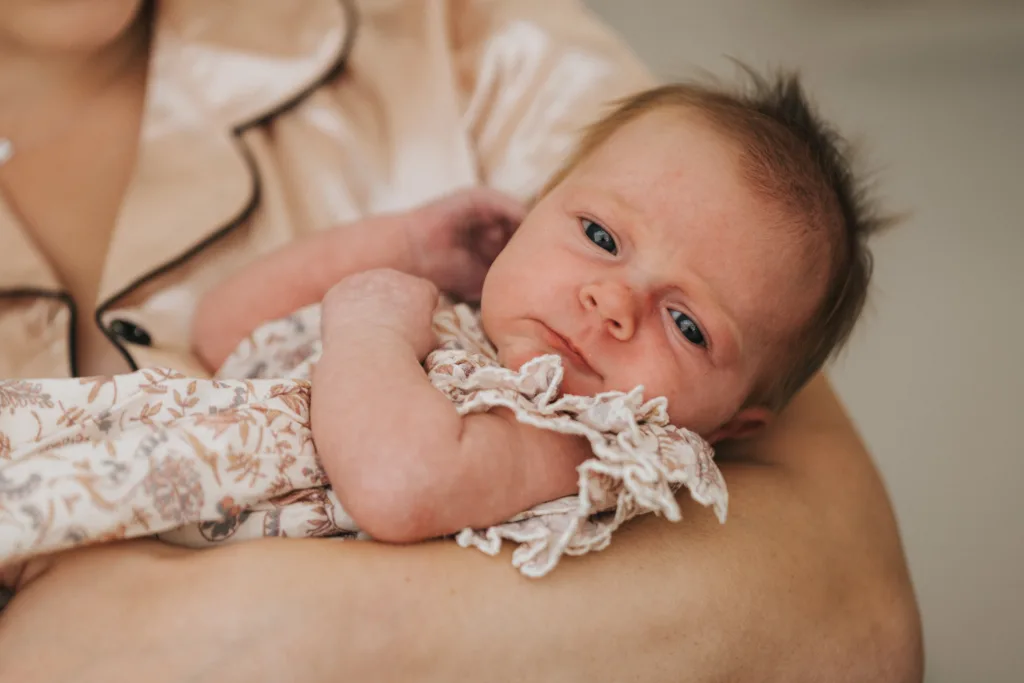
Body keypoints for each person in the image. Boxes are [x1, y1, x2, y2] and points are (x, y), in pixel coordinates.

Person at [0, 1, 923, 682]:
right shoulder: (459, 315)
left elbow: (399, 483)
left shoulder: (579, 439)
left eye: (686, 325)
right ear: (530, 213)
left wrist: (365, 319)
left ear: (732, 426)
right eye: (599, 238)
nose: (612, 303)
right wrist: (399, 248)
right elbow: (222, 327)